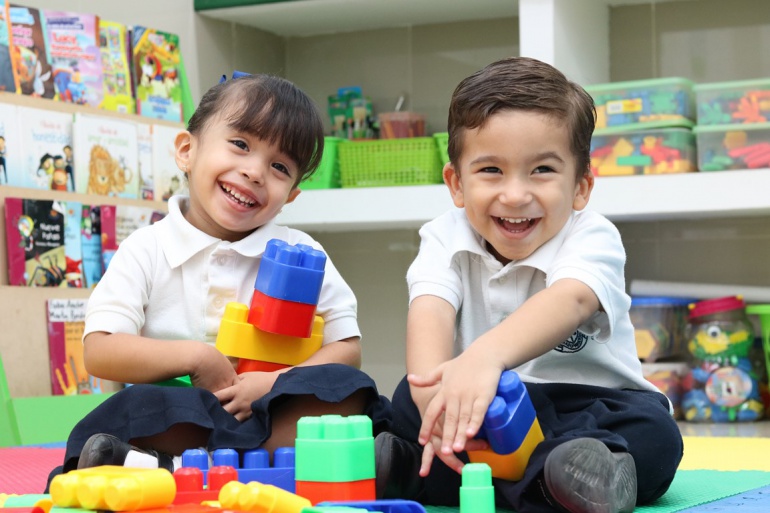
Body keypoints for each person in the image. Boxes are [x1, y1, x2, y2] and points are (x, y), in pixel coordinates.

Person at [47, 73, 391, 484]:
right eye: (241, 144)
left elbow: (347, 349)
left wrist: (272, 383)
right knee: (126, 411)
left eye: (279, 167)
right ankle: (234, 464)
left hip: (269, 412)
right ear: (187, 151)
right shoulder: (147, 247)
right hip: (183, 417)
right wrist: (195, 358)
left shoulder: (303, 253)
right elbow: (100, 351)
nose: (255, 172)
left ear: (291, 196)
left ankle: (171, 468)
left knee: (349, 386)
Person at [375, 56, 683, 513]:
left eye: (541, 170)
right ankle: (431, 467)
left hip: (586, 407)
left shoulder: (592, 235)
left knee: (654, 434)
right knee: (407, 394)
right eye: (490, 171)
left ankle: (563, 476)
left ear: (580, 186)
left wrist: (486, 355)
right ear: (456, 184)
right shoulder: (443, 235)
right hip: (483, 406)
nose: (516, 195)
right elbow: (429, 310)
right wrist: (431, 405)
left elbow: (571, 299)